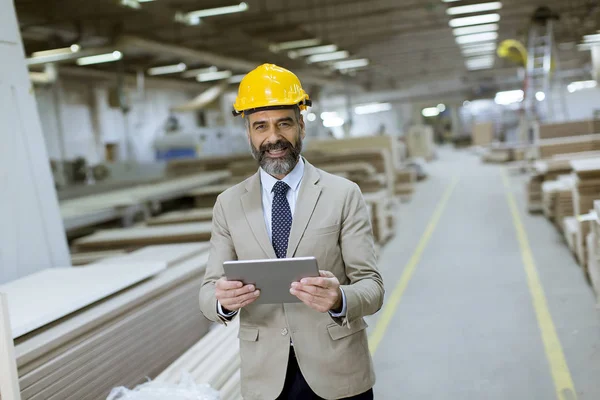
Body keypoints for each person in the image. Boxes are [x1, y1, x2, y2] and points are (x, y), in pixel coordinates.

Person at [199, 63, 385, 400]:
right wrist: (223, 302)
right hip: (266, 381)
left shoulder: (342, 194)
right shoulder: (228, 204)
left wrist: (340, 298)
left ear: (301, 124)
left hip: (338, 373)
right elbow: (207, 293)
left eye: (284, 123)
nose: (273, 138)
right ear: (249, 133)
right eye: (261, 126)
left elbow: (372, 287)